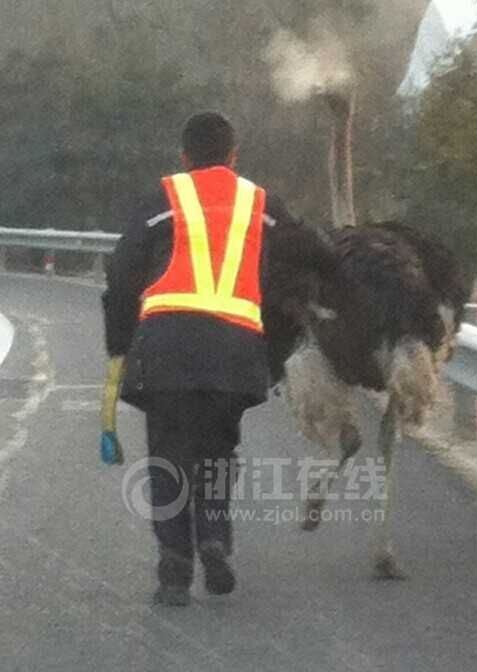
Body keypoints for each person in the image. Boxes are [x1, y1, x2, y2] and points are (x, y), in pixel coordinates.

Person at [102, 111, 337, 607]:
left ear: (184, 158)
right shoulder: (261, 204)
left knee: (168, 454)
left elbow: (121, 274)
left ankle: (174, 566)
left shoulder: (163, 197)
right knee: (216, 450)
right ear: (234, 158)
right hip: (234, 354)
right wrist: (278, 338)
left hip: (165, 349)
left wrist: (120, 344)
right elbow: (315, 253)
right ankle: (212, 538)